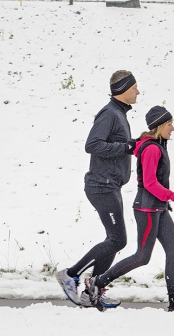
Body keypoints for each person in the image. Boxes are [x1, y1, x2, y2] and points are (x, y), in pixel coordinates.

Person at [85, 106, 174, 314]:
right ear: (159, 126)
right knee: (142, 256)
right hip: (147, 209)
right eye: (169, 124)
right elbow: (149, 183)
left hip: (159, 207)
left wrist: (166, 202)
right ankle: (98, 282)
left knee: (173, 250)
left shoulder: (158, 145)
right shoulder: (152, 149)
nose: (173, 128)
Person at [56, 70, 140, 306]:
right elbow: (92, 145)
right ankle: (71, 274)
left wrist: (131, 145)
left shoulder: (118, 114)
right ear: (123, 89)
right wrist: (125, 147)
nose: (138, 92)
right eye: (135, 88)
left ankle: (92, 292)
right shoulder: (110, 114)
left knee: (114, 240)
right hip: (101, 185)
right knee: (117, 240)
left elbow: (117, 144)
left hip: (111, 185)